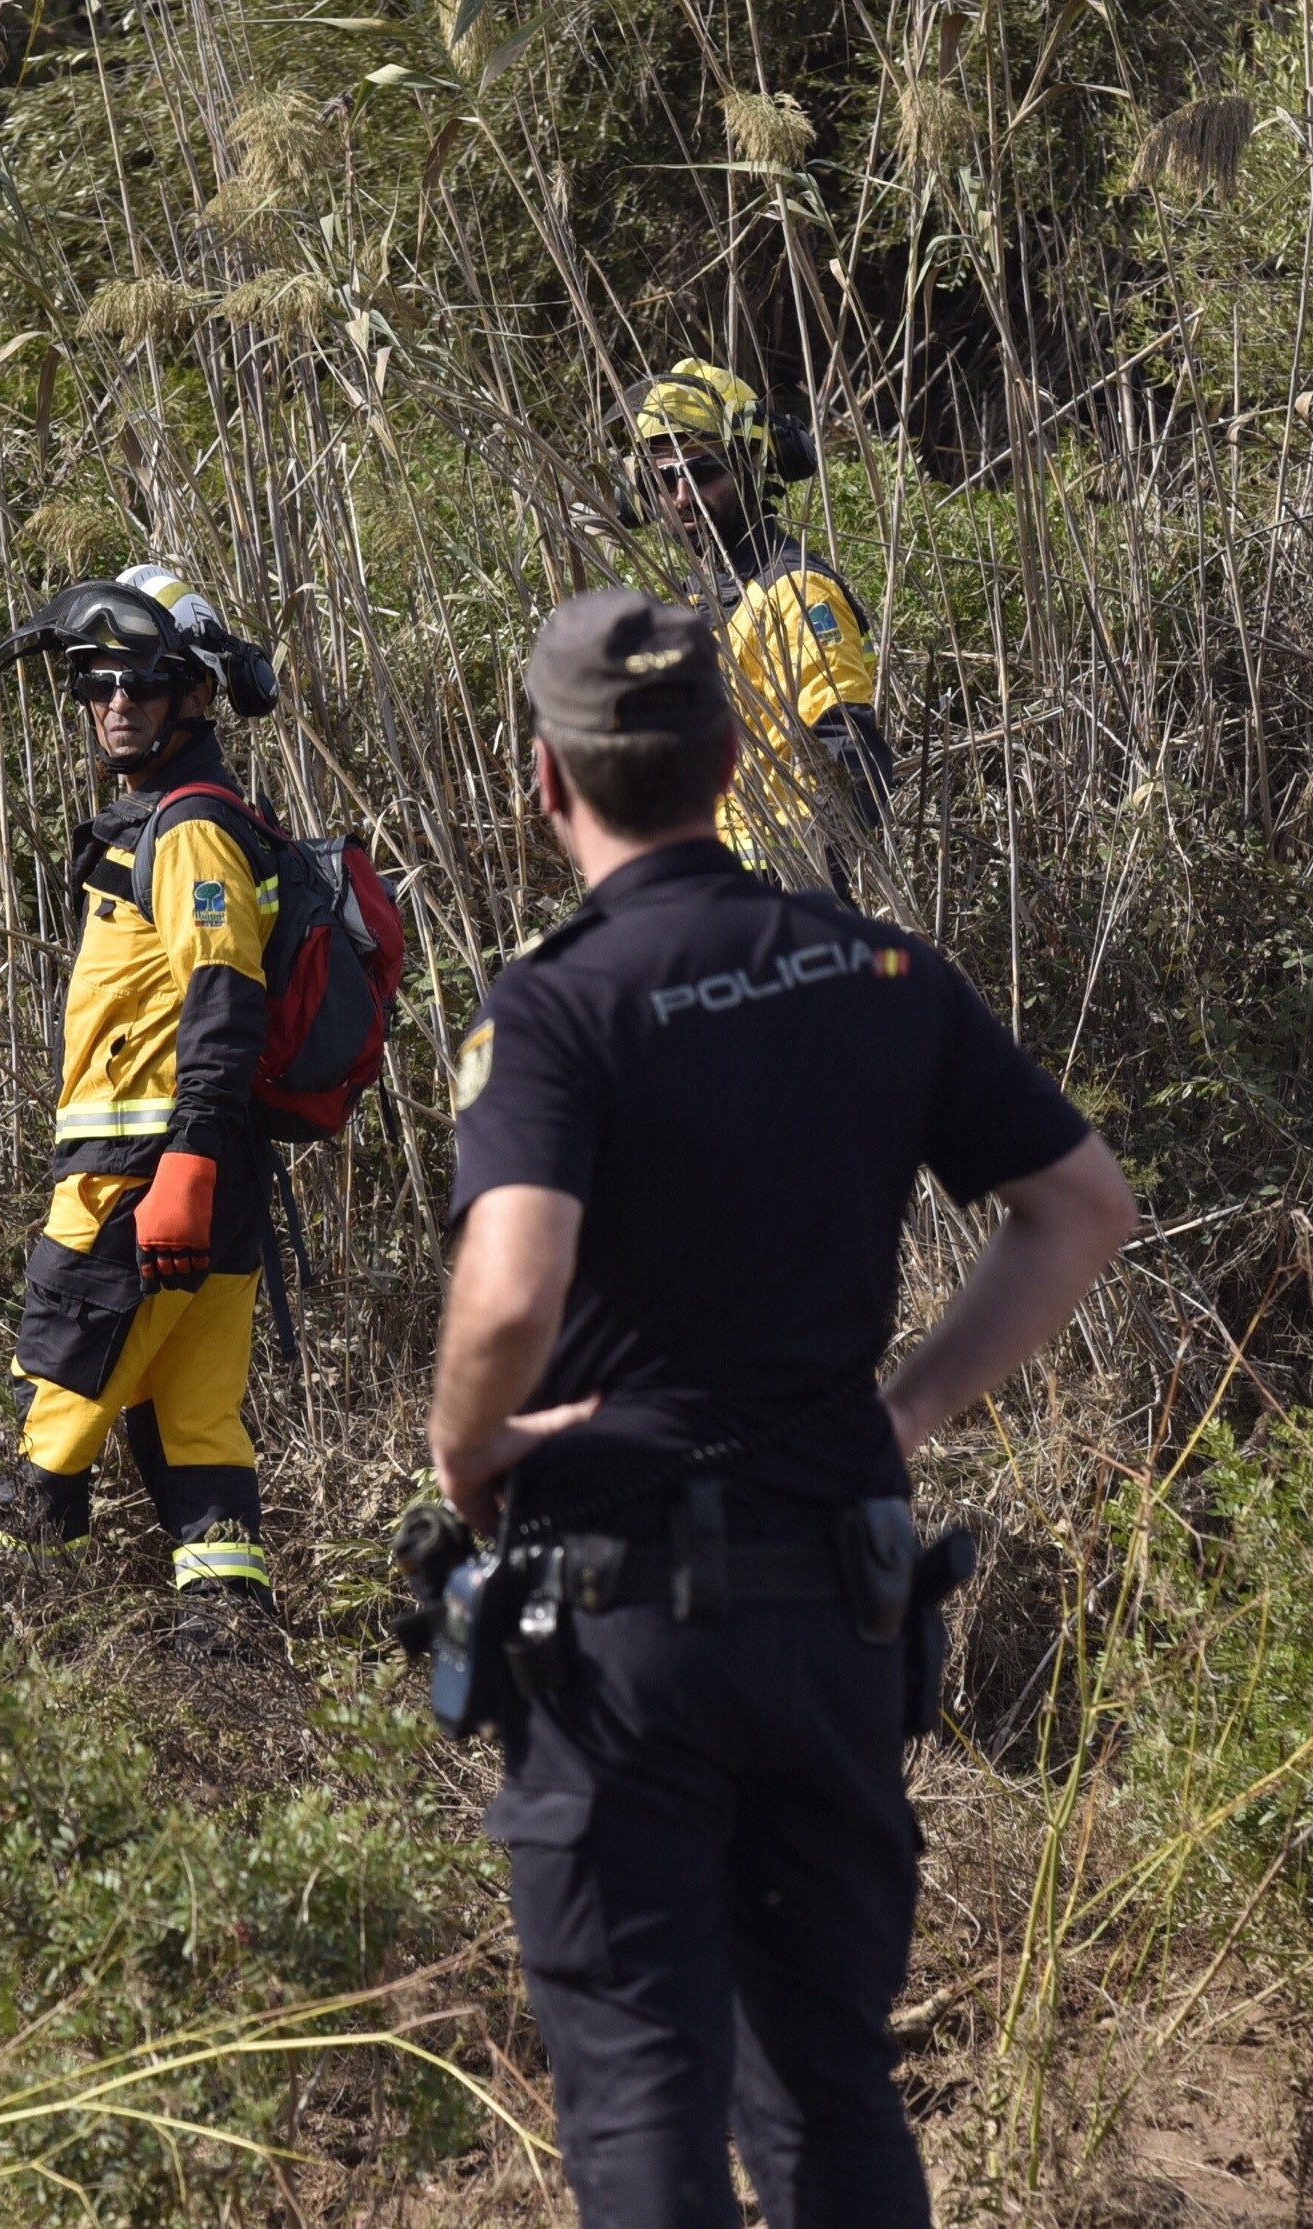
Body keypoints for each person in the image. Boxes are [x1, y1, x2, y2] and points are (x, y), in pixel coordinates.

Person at [430, 587, 1135, 2226]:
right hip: (834, 1603)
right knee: (827, 2084)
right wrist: (907, 1412)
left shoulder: (554, 1005)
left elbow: (514, 1283)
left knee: (641, 2105)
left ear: (542, 778)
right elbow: (1078, 1204)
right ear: (734, 752)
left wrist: (463, 1443)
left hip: (622, 1636)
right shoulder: (874, 966)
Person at [0, 563, 287, 1647]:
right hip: (195, 1178)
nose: (117, 703)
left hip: (145, 1180)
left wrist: (187, 1167)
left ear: (196, 694)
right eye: (95, 682)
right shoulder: (158, 819)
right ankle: (230, 1656)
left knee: (53, 1423)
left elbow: (224, 1000)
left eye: (143, 682)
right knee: (195, 1423)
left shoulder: (191, 830)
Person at [624, 359, 890, 890]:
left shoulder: (795, 591)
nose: (683, 496)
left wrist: (814, 884)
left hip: (781, 884)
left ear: (752, 464)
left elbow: (855, 762)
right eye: (664, 477)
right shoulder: (701, 594)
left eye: (702, 472)